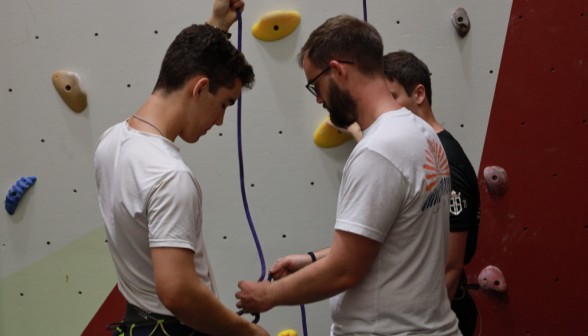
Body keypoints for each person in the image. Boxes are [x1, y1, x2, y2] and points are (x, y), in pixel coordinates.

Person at [235, 15, 461, 336]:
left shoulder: (378, 151)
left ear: (339, 71)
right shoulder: (421, 133)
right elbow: (392, 238)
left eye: (316, 84)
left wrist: (267, 295)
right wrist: (311, 260)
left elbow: (343, 271)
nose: (318, 98)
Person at [94, 1, 268, 335]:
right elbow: (178, 293)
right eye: (223, 105)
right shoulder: (170, 177)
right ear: (201, 88)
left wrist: (217, 25)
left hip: (137, 322)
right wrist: (246, 332)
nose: (219, 121)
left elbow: (184, 66)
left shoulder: (112, 141)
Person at [329, 51, 481, 336]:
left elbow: (449, 264)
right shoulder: (422, 145)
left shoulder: (444, 157)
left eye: (393, 96)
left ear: (419, 94)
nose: (385, 108)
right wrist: (354, 128)